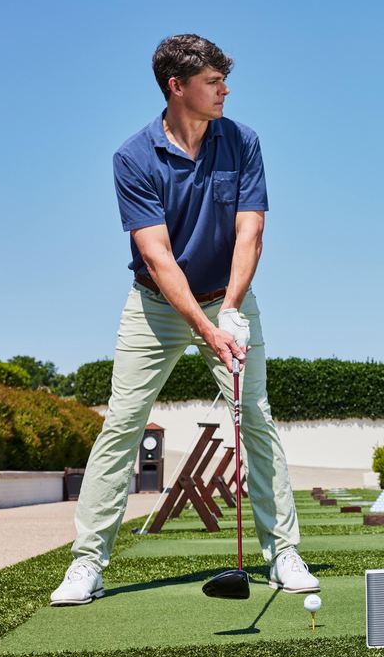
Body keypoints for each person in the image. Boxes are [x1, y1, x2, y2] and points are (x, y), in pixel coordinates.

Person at [50, 34, 319, 605]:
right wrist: (206, 327)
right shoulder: (133, 157)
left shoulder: (243, 141)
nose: (225, 90)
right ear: (177, 87)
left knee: (258, 418)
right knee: (122, 422)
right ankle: (86, 563)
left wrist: (231, 309)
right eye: (212, 82)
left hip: (229, 298)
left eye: (224, 80)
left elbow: (251, 232)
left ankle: (284, 554)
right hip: (156, 305)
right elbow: (157, 256)